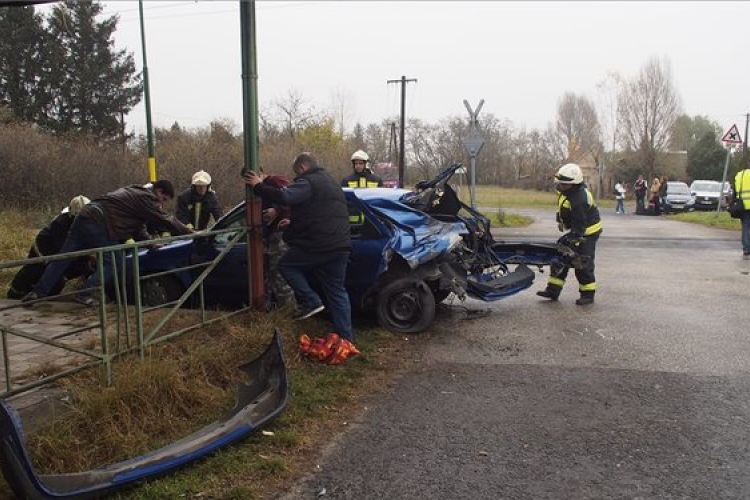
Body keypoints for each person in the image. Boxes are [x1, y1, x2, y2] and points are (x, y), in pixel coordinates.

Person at [22, 181, 194, 305]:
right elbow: (166, 219)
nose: (162, 204)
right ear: (158, 191)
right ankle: (85, 293)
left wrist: (149, 243)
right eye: (163, 199)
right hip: (99, 222)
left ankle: (38, 292)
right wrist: (192, 233)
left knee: (64, 257)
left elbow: (138, 227)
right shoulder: (146, 197)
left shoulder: (134, 192)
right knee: (114, 260)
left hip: (85, 216)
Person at [244, 152, 355, 342]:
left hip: (320, 243)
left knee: (286, 265)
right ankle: (346, 339)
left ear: (303, 168)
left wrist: (259, 187)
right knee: (337, 291)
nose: (296, 176)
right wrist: (292, 221)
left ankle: (310, 301)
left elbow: (285, 196)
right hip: (341, 245)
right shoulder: (332, 183)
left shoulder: (308, 182)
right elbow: (320, 213)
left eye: (297, 172)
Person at [536, 163, 603, 305]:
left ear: (574, 184)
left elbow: (580, 222)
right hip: (576, 229)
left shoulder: (579, 198)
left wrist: (575, 239)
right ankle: (553, 290)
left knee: (582, 261)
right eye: (560, 183)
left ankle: (588, 294)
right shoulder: (568, 191)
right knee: (560, 256)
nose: (560, 187)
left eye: (564, 185)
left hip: (587, 232)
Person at [7, 195, 92, 299]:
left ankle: (46, 296)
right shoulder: (61, 223)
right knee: (33, 272)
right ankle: (15, 294)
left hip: (58, 252)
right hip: (43, 250)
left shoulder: (86, 222)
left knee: (60, 275)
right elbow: (62, 248)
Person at [260, 172, 296, 309]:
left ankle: (288, 312)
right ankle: (268, 310)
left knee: (280, 276)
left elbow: (290, 196)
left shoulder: (275, 181)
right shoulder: (256, 190)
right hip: (267, 237)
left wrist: (276, 209)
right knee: (268, 277)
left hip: (280, 235)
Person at [734, 163, 750, 259]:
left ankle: (746, 248)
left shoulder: (739, 175)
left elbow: (736, 191)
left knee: (745, 226)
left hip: (742, 205)